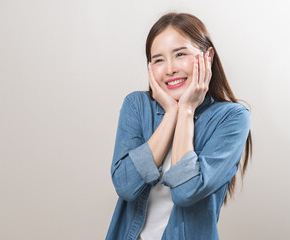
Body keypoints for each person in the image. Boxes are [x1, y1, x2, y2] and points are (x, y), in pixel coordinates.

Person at [105, 12, 252, 240]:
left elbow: (186, 192)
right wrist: (171, 113)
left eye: (180, 54)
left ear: (208, 57)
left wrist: (186, 110)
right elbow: (125, 186)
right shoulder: (136, 106)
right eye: (158, 59)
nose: (170, 69)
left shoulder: (231, 118)